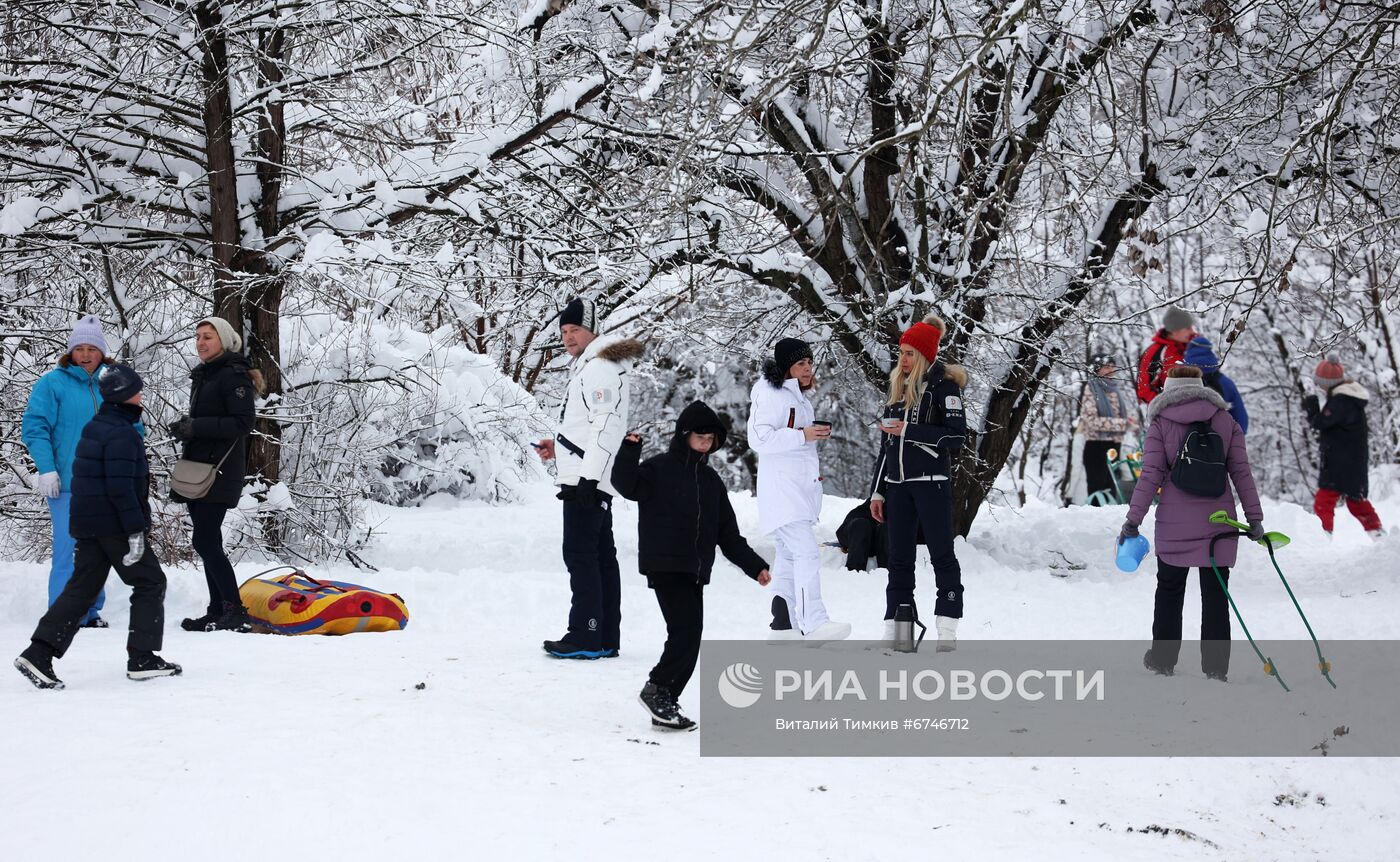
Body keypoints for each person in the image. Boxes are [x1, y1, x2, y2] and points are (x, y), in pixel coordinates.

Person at [14, 364, 181, 689]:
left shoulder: (98, 426)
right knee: (150, 582)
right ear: (124, 395)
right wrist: (135, 532)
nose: (141, 394)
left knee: (82, 589)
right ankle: (143, 658)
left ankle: (39, 653)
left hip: (90, 523)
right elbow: (121, 488)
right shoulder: (122, 433)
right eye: (137, 389)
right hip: (115, 525)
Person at [611, 401, 772, 730]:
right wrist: (629, 451)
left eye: (712, 437)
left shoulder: (711, 482)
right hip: (666, 564)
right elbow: (626, 486)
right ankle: (658, 690)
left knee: (689, 634)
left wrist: (755, 566)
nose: (706, 442)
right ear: (685, 435)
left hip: (694, 570)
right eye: (700, 435)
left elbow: (728, 535)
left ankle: (664, 698)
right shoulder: (658, 469)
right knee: (685, 632)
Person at [1120, 365, 1265, 681]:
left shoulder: (1161, 423)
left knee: (1170, 590)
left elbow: (1151, 475)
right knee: (1216, 595)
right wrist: (1254, 518)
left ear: (1169, 388)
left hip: (1175, 522)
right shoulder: (1226, 420)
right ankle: (1215, 669)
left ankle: (1162, 659)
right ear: (1201, 387)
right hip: (1219, 522)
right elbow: (1241, 472)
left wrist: (1133, 520)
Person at [535, 297, 645, 659]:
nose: (568, 337)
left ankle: (585, 634)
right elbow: (591, 425)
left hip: (587, 479)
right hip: (587, 471)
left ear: (592, 330)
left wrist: (586, 478)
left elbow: (607, 424)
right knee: (599, 556)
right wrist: (560, 445)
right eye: (564, 331)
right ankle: (604, 636)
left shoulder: (598, 367)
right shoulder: (594, 366)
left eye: (575, 330)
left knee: (582, 555)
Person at [20, 315, 139, 629]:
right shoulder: (52, 383)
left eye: (92, 348)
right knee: (66, 552)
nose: (86, 354)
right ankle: (63, 616)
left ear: (102, 352)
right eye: (80, 348)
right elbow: (35, 427)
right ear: (71, 352)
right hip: (67, 484)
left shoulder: (115, 383)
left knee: (97, 552)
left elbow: (134, 429)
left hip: (105, 486)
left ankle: (90, 612)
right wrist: (46, 469)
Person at [868, 315, 967, 650]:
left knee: (942, 554)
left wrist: (910, 431)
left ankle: (947, 628)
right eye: (902, 353)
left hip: (932, 484)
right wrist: (878, 491)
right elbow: (887, 446)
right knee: (898, 559)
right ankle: (897, 630)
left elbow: (956, 437)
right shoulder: (898, 388)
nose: (904, 359)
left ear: (925, 355)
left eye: (910, 353)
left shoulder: (945, 388)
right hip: (897, 487)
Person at [746, 337, 850, 642]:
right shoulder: (771, 394)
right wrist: (802, 434)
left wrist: (810, 434)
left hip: (799, 490)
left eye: (809, 362)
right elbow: (759, 439)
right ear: (786, 367)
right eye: (800, 363)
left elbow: (797, 439)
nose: (807, 369)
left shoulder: (798, 397)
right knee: (806, 553)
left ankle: (782, 622)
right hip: (783, 491)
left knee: (791, 555)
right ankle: (814, 622)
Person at [168, 317, 262, 633]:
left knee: (205, 540)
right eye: (197, 337)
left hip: (220, 470)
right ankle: (217, 610)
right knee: (209, 540)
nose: (201, 342)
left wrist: (197, 427)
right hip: (199, 468)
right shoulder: (205, 375)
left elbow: (243, 422)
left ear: (223, 340)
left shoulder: (233, 375)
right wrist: (187, 428)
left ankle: (234, 611)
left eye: (207, 336)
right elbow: (211, 419)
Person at [1305, 356, 1383, 538]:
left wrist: (1311, 399)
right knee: (1357, 502)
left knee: (1323, 502)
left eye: (1320, 384)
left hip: (1340, 464)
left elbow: (1319, 422)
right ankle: (1378, 535)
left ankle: (1322, 538)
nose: (1319, 388)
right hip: (1352, 462)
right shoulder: (1349, 398)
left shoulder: (1341, 400)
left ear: (1328, 382)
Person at [1077, 351, 1136, 504]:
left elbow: (1119, 418)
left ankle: (1108, 525)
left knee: (1111, 490)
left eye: (1112, 366)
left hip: (1114, 446)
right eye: (1106, 367)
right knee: (1098, 492)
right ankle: (1095, 524)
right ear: (1097, 369)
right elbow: (1091, 421)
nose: (1110, 370)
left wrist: (1126, 421)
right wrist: (1122, 424)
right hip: (1097, 446)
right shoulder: (1091, 388)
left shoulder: (1115, 390)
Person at [1182, 336, 1248, 433]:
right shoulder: (1226, 383)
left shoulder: (1178, 382)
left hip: (1185, 444)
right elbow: (1242, 424)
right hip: (1218, 443)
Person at [1136, 306, 1196, 403]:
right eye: (1188, 328)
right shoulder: (1155, 353)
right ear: (1175, 330)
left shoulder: (1193, 347)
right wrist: (1169, 406)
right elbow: (1144, 390)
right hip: (1169, 414)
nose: (1192, 331)